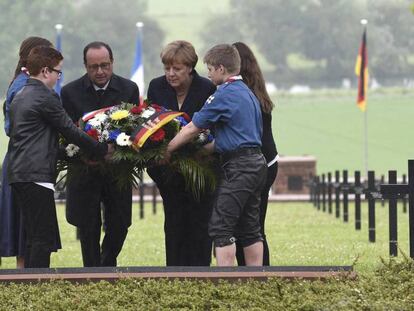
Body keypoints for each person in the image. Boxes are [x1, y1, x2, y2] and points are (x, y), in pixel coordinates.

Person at [164, 44, 267, 266]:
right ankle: (256, 280)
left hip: (238, 167)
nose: (208, 74)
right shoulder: (247, 93)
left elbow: (193, 128)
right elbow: (235, 136)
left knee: (221, 226)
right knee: (250, 228)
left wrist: (167, 149)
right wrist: (202, 151)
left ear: (221, 68)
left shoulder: (224, 94)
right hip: (256, 163)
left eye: (210, 68)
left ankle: (226, 283)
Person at [7, 46, 110, 268]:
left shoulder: (22, 94)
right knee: (42, 239)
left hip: (19, 173)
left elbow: (39, 140)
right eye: (57, 72)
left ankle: (31, 287)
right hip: (36, 175)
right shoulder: (45, 96)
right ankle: (38, 288)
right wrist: (101, 149)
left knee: (33, 237)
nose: (58, 77)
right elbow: (69, 130)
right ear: (45, 71)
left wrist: (71, 154)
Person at [61, 41, 139, 267]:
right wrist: (83, 155)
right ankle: (92, 273)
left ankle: (106, 264)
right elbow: (66, 133)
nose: (100, 71)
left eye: (105, 65)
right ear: (85, 66)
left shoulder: (129, 89)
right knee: (87, 227)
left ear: (112, 63)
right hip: (85, 170)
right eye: (94, 67)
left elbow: (135, 128)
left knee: (120, 224)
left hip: (117, 171)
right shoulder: (69, 92)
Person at [147, 40, 216, 266]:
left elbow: (212, 127)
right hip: (167, 171)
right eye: (167, 68)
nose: (170, 74)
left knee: (200, 226)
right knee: (174, 225)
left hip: (200, 171)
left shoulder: (207, 88)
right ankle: (174, 275)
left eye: (176, 69)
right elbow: (150, 124)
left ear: (190, 68)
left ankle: (201, 277)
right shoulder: (156, 87)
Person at [0, 37, 53, 268]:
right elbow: (15, 129)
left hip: (17, 161)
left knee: (26, 229)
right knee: (28, 231)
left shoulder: (18, 83)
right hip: (27, 164)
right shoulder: (26, 87)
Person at [233, 42, 279, 266]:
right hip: (268, 161)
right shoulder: (258, 93)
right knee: (255, 224)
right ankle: (257, 271)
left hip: (254, 163)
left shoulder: (240, 96)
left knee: (249, 225)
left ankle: (250, 272)